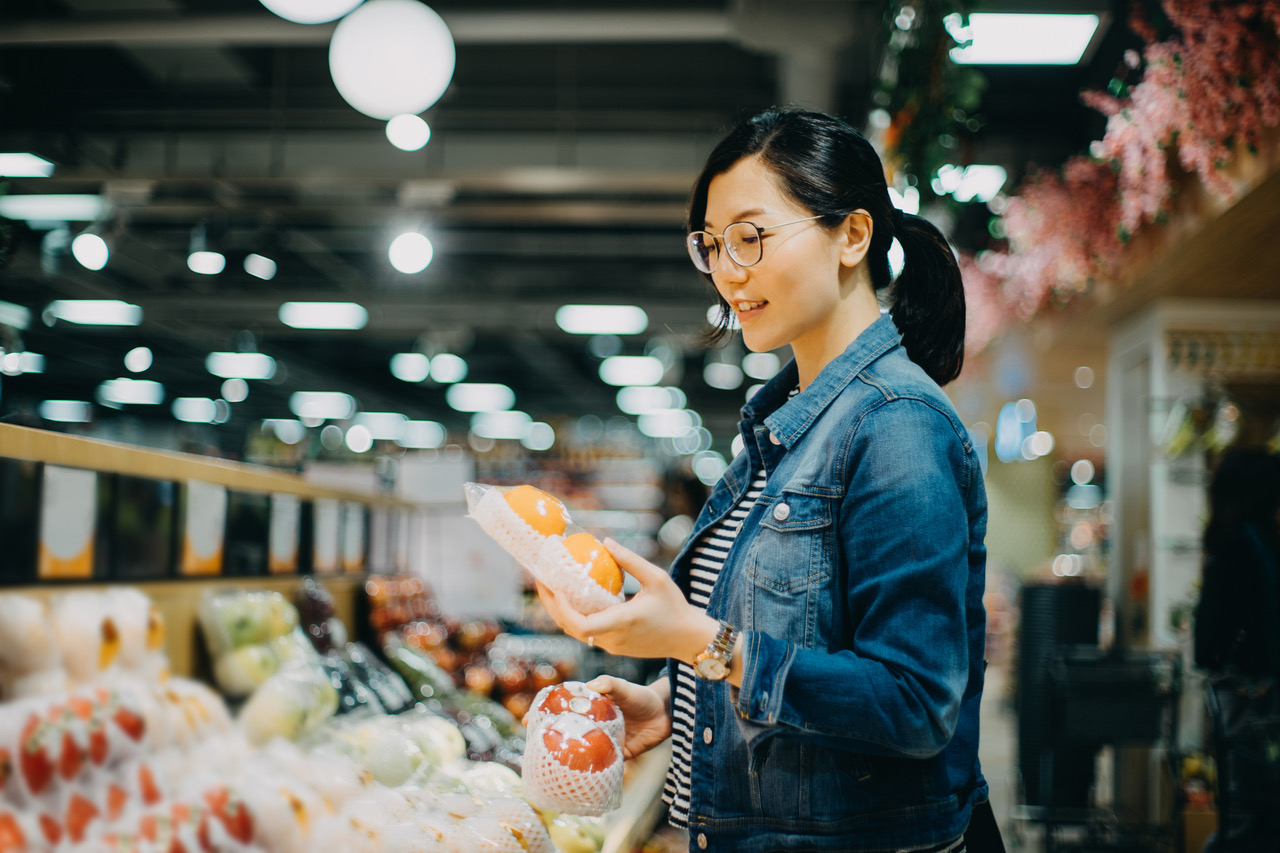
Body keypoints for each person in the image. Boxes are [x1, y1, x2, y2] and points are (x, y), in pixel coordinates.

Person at [536, 107, 999, 853]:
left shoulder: (896, 424)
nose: (726, 268)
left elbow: (914, 703)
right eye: (712, 244)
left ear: (852, 234)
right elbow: (791, 645)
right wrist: (671, 701)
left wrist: (702, 644)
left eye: (751, 236)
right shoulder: (781, 425)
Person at [1194, 446, 1280, 852]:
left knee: (1244, 814)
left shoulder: (1233, 546)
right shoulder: (1267, 542)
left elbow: (1207, 642)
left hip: (1248, 704)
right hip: (1267, 699)